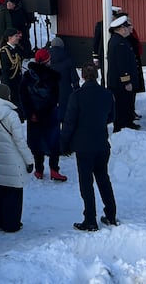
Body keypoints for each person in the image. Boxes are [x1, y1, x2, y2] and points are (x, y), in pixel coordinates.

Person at [60, 66, 118, 231]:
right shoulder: (107, 94)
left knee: (86, 183)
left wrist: (64, 144)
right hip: (101, 143)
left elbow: (69, 123)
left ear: (83, 76)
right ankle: (111, 214)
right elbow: (111, 117)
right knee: (103, 179)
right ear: (97, 76)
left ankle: (90, 219)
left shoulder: (77, 96)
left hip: (83, 146)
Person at [0, 80, 35, 233]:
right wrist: (29, 160)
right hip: (14, 159)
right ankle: (12, 223)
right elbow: (20, 141)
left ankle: (0, 221)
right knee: (15, 191)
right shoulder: (11, 115)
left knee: (2, 190)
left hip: (0, 157)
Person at [21, 48, 66, 181]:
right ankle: (54, 170)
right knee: (53, 141)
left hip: (34, 116)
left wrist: (30, 113)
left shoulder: (27, 77)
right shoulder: (52, 77)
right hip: (49, 114)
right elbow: (55, 97)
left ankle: (39, 170)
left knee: (36, 142)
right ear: (47, 60)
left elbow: (23, 96)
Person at [106, 16, 140, 132]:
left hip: (120, 82)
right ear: (121, 28)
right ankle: (122, 126)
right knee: (122, 104)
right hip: (120, 83)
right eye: (126, 27)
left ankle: (127, 123)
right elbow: (122, 65)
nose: (128, 29)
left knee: (126, 103)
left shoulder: (120, 40)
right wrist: (126, 81)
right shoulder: (119, 43)